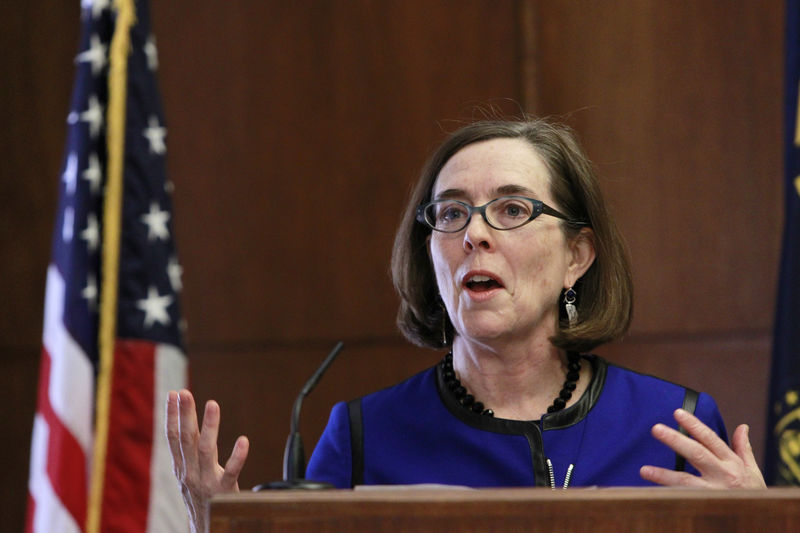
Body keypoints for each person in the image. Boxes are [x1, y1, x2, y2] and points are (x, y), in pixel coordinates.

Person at [166, 117, 765, 531]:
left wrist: (767, 528)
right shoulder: (363, 435)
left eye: (512, 209)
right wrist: (219, 530)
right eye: (451, 212)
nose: (473, 233)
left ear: (576, 257)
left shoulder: (674, 425)